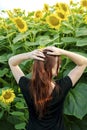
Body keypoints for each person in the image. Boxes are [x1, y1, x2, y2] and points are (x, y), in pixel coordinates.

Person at [8, 46, 87, 130]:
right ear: (49, 67)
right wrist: (63, 52)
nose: (60, 66)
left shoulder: (26, 85)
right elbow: (83, 62)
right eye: (58, 63)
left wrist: (29, 55)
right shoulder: (62, 86)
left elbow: (12, 62)